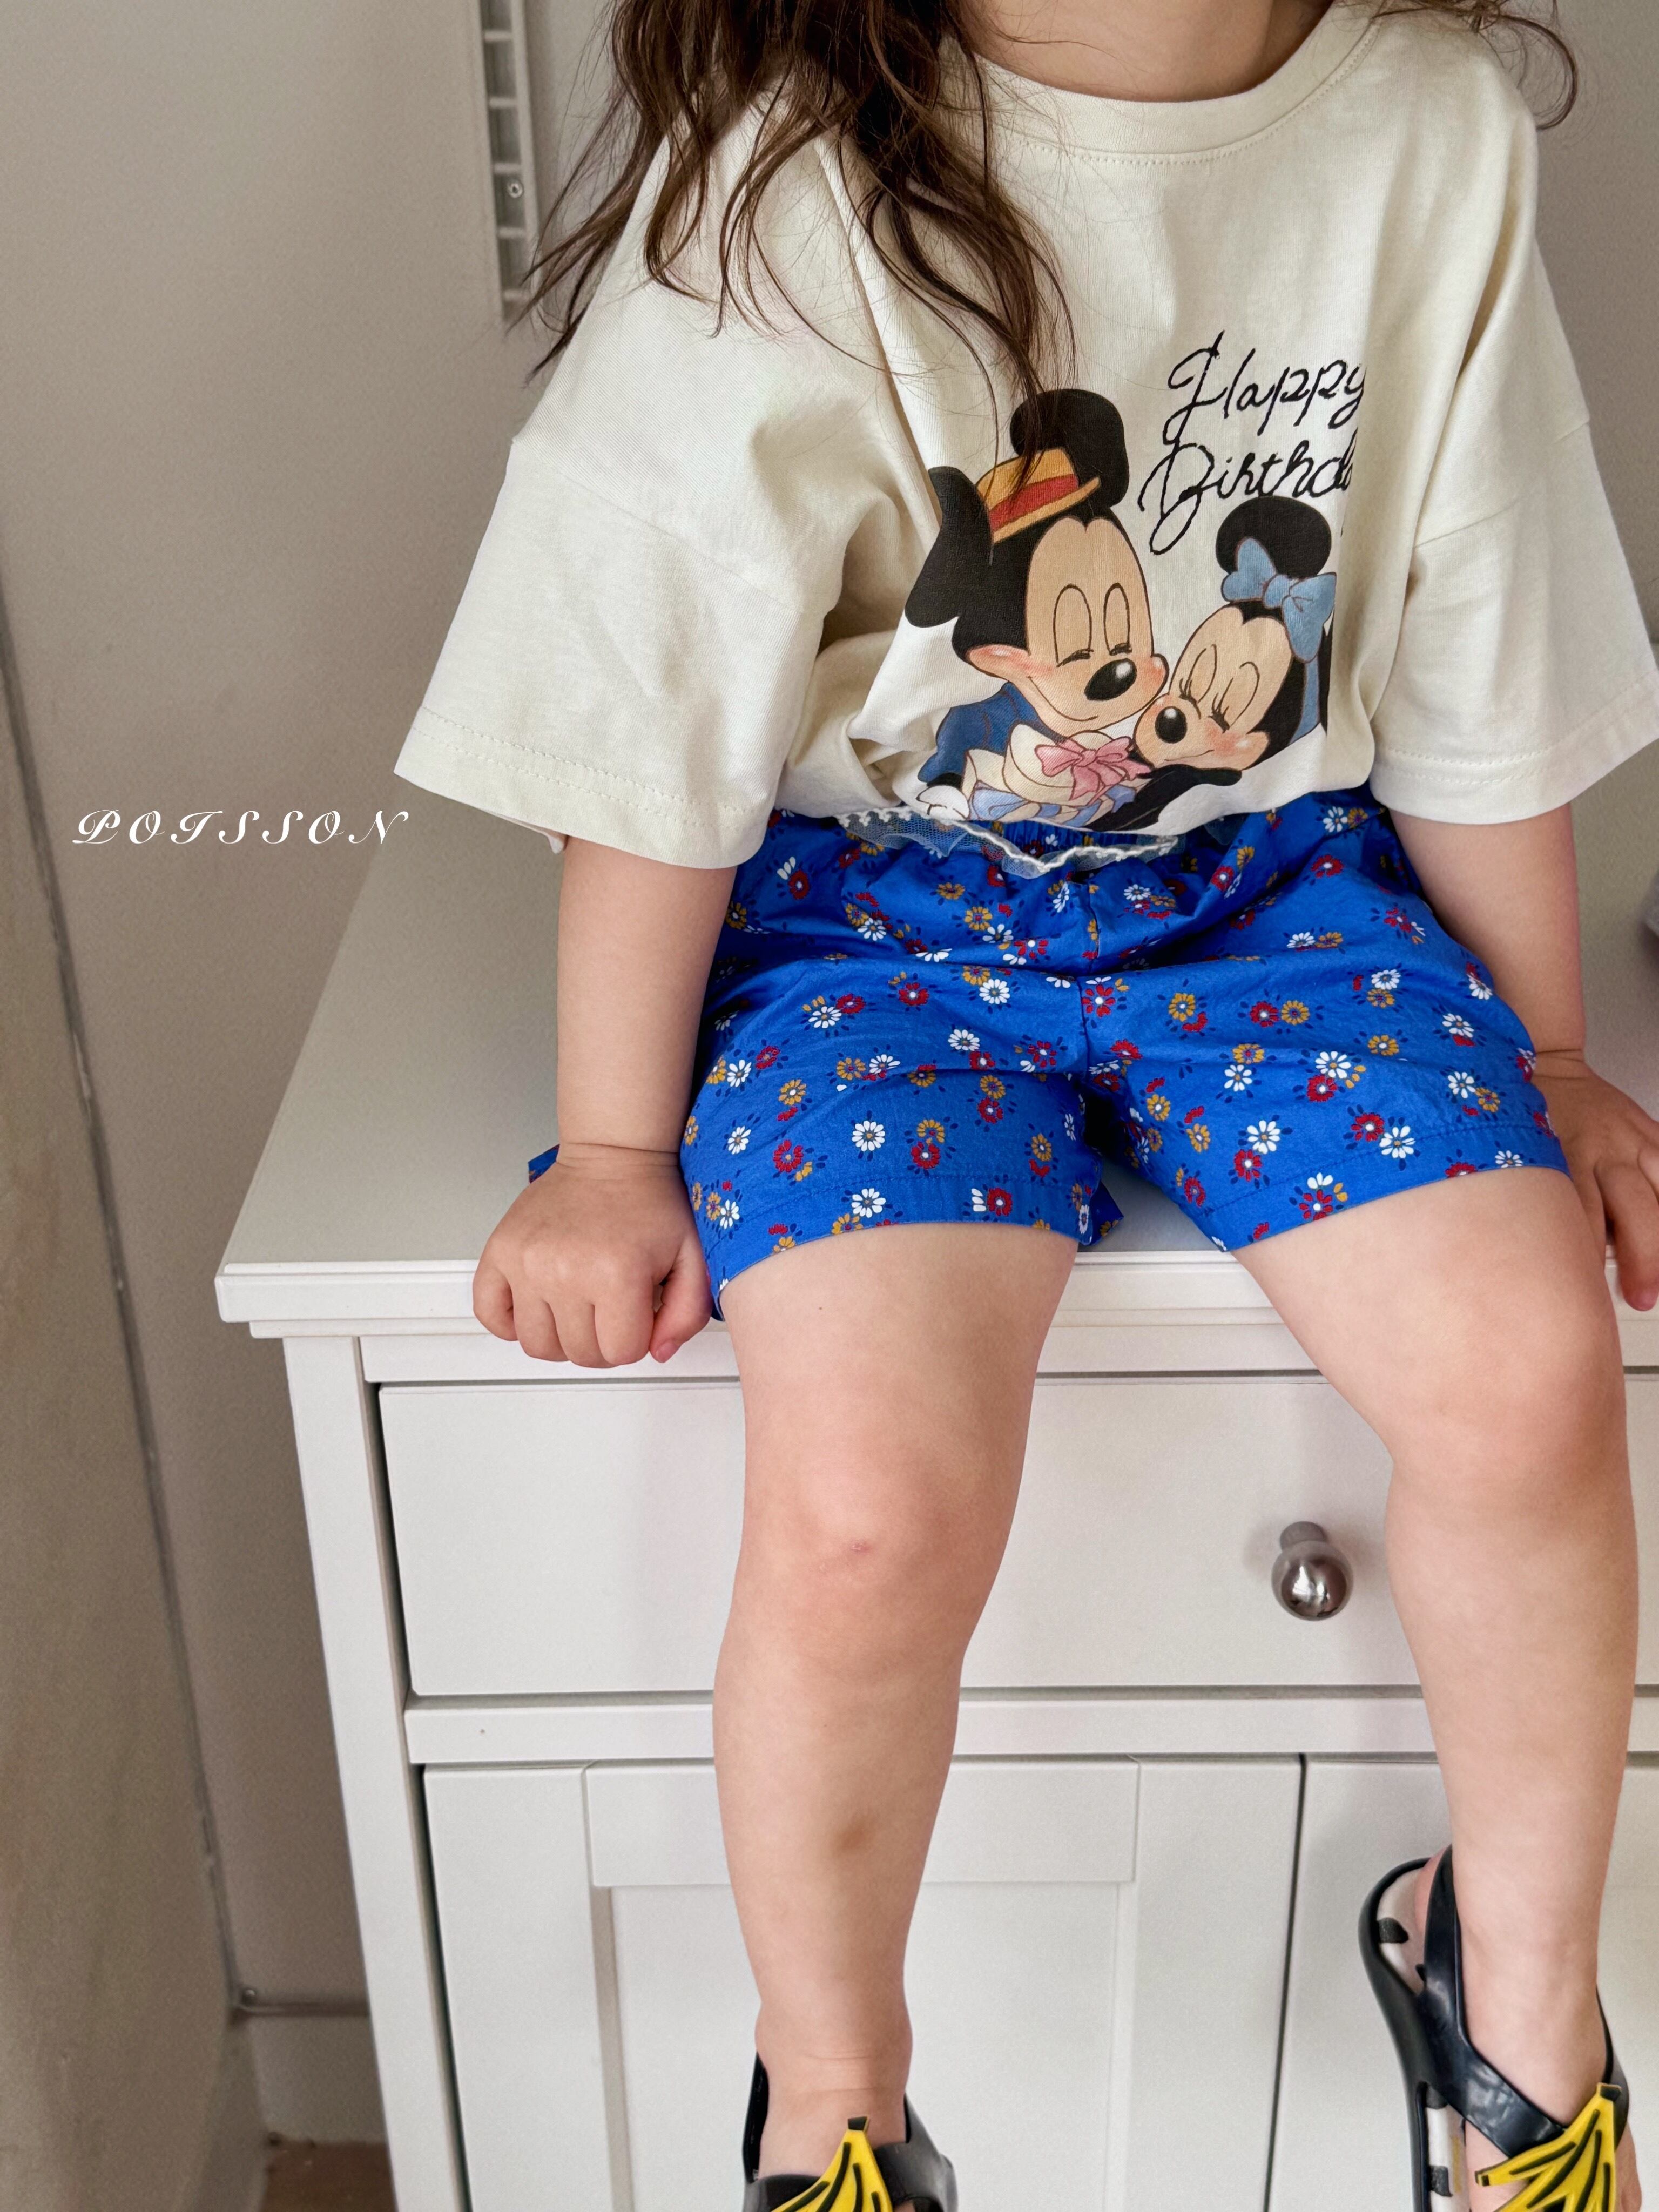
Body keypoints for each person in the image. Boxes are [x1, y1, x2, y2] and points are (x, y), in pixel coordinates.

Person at [394, 0, 1659, 2202]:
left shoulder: (1428, 129)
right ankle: (833, 2099)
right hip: (873, 925)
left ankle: (1524, 2016)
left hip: (1276, 891)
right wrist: (610, 1151)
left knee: (1534, 1362)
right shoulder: (800, 169)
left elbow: (1484, 634)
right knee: (870, 1504)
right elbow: (655, 679)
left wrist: (1550, 1059)